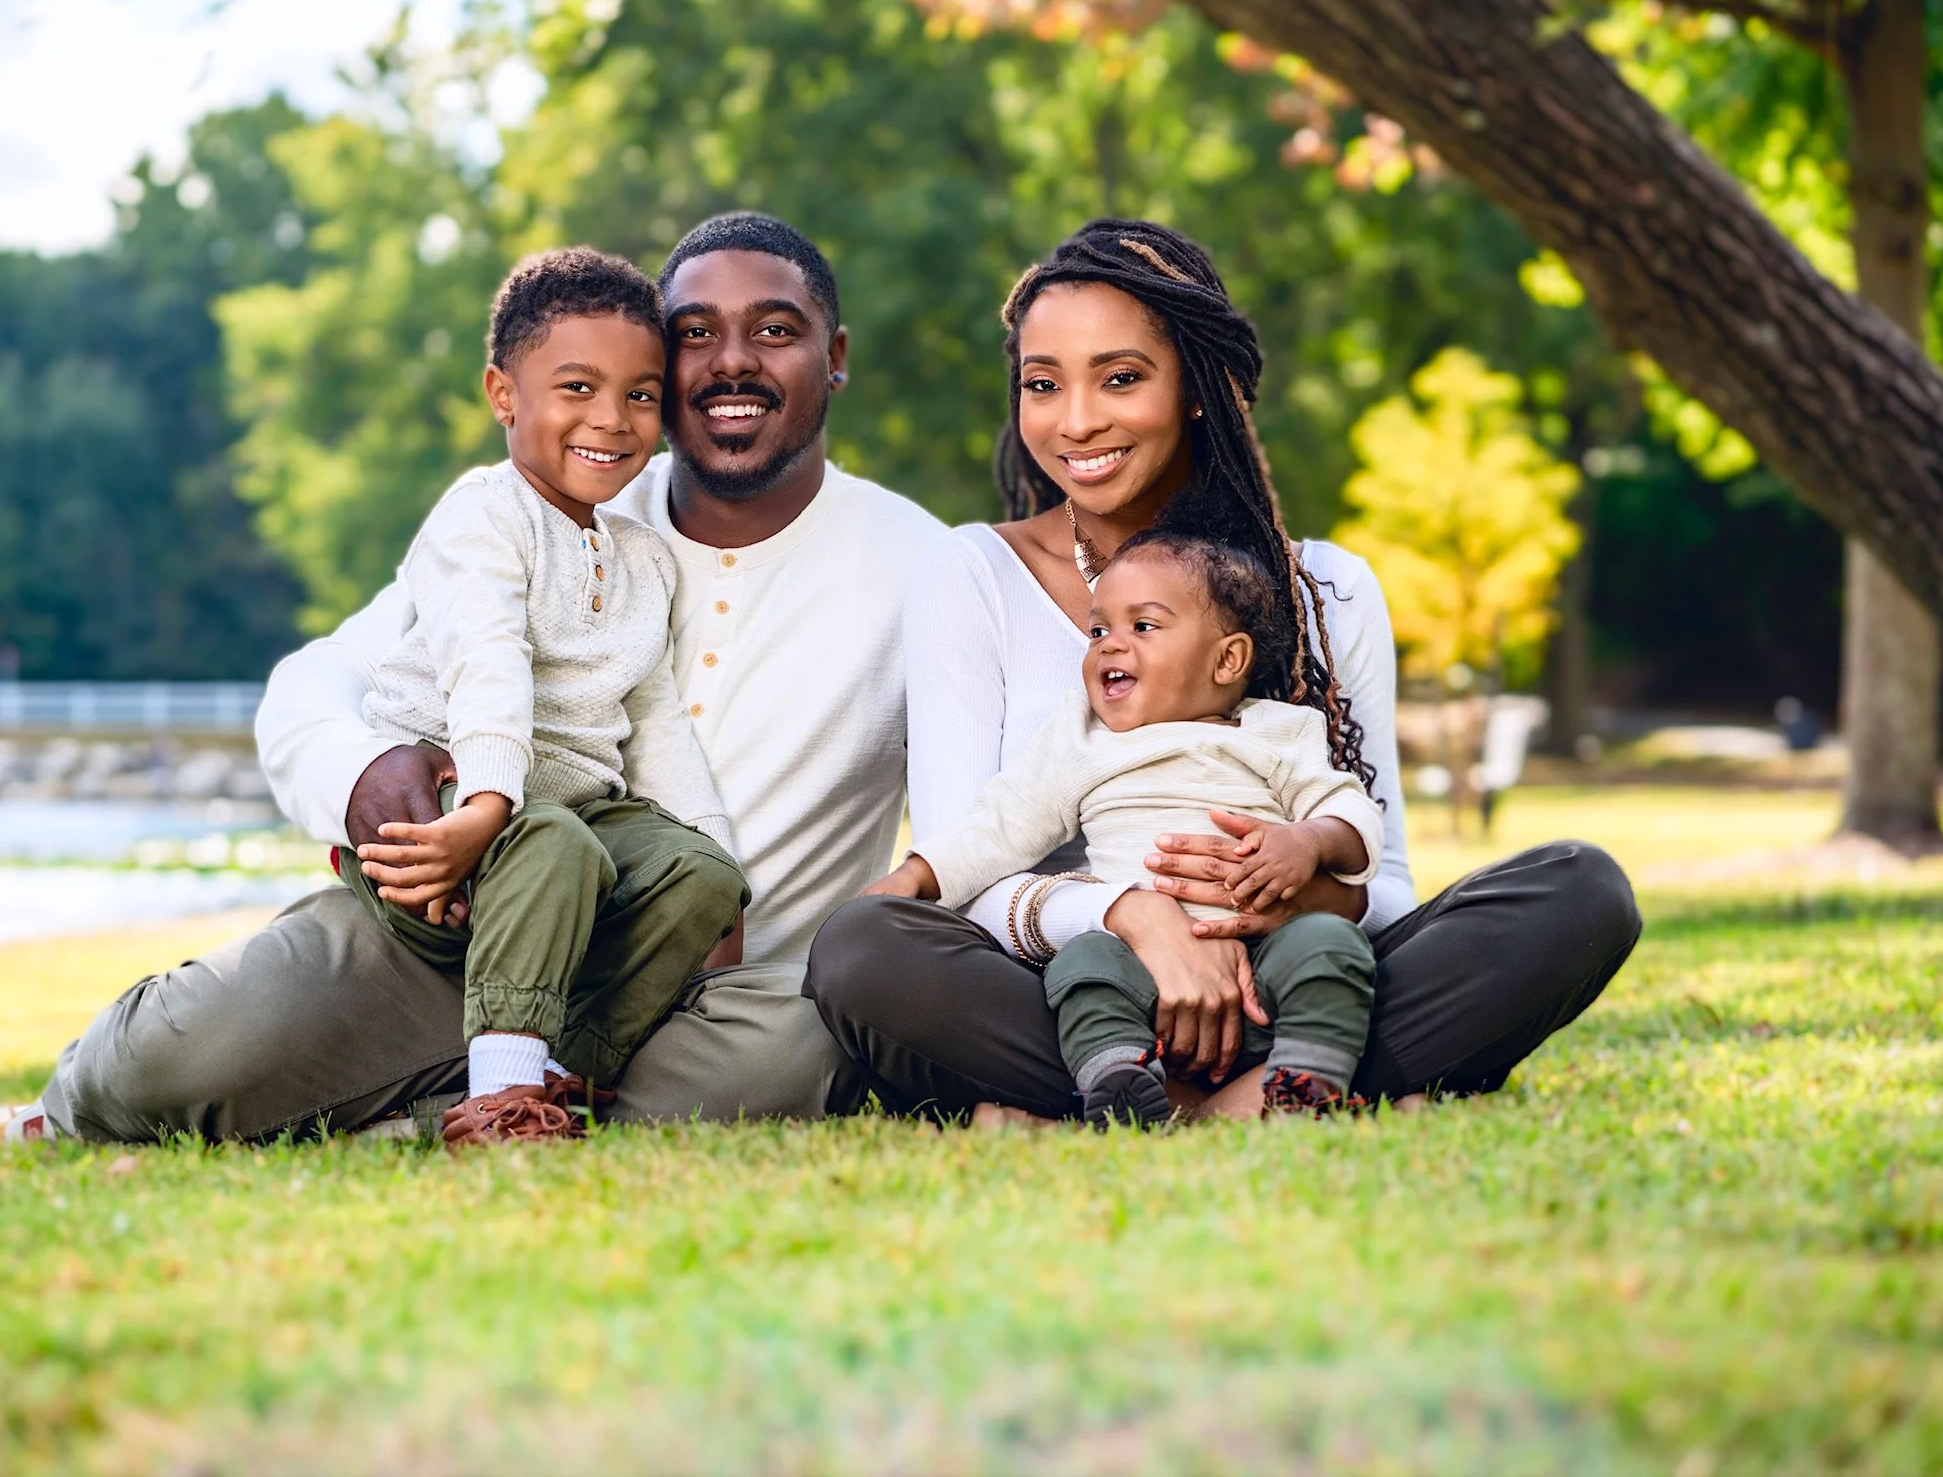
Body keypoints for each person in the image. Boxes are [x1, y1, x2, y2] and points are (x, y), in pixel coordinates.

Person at [0, 213, 944, 1159]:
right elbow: (312, 684)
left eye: (776, 331)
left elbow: (994, 816)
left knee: (801, 1044)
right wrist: (367, 768)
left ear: (835, 356)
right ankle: (43, 1125)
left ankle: (469, 1115)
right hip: (450, 927)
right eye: (695, 334)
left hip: (696, 996)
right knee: (176, 1057)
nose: (732, 362)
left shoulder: (926, 568)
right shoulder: (543, 508)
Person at [805, 218, 1642, 1122]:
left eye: (1121, 378)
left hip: (1303, 979)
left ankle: (1172, 1104)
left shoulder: (1327, 591)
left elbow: (1385, 885)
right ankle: (1261, 1099)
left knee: (1580, 889)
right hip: (1077, 1003)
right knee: (862, 950)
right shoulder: (972, 574)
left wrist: (1277, 894)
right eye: (1042, 385)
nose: (1076, 420)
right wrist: (1136, 917)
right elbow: (970, 877)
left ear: (1199, 390)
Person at [340, 247, 747, 1145]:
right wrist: (486, 807)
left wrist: (721, 878)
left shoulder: (641, 559)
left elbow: (653, 717)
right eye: (576, 388)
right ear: (503, 395)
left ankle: (554, 1080)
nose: (612, 419)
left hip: (571, 815)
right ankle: (496, 1101)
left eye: (641, 395)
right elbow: (488, 661)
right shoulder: (482, 514)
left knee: (703, 874)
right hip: (442, 817)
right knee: (554, 842)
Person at [861, 529, 1383, 1126]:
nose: (1110, 647)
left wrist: (1308, 842)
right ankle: (1118, 1078)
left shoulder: (1278, 732)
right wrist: (914, 878)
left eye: (1144, 627)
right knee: (1081, 964)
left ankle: (1305, 1079)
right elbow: (1000, 824)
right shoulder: (1083, 735)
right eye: (1099, 630)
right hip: (1136, 962)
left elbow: (1352, 813)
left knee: (1333, 947)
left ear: (1227, 660)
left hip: (1268, 959)